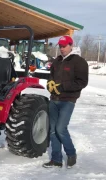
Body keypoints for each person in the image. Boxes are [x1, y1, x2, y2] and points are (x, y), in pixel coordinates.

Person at [43, 35, 89, 168]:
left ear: (71, 45)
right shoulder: (57, 61)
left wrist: (62, 87)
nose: (62, 49)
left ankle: (71, 153)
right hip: (54, 100)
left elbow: (82, 82)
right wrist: (49, 85)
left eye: (64, 46)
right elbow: (50, 77)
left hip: (68, 100)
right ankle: (56, 159)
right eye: (60, 46)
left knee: (60, 129)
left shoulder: (79, 61)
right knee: (52, 130)